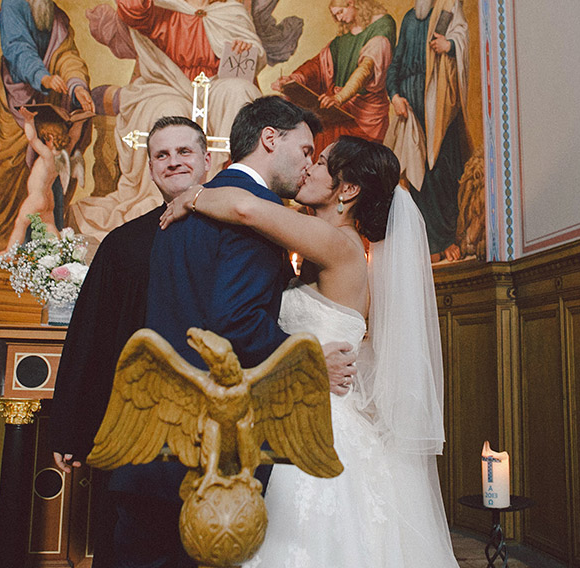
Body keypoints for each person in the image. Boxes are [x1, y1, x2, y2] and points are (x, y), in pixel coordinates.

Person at [160, 134, 456, 567]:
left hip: (321, 421)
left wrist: (194, 195)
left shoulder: (338, 244)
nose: (309, 168)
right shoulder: (337, 246)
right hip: (304, 409)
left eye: (321, 163)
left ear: (348, 190)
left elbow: (246, 209)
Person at [109, 96, 357, 568]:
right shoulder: (254, 214)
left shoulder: (187, 207)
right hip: (203, 461)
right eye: (305, 150)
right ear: (270, 139)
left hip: (156, 446)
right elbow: (235, 323)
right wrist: (304, 361)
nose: (308, 165)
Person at [47, 116, 213, 568]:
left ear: (206, 159)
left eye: (184, 152)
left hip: (213, 426)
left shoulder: (238, 236)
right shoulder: (123, 244)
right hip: (135, 431)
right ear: (151, 167)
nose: (173, 161)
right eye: (162, 155)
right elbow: (91, 336)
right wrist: (72, 426)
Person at [70, 0, 265, 241]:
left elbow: (256, 54)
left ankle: (232, 189)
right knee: (169, 112)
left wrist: (245, 48)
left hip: (214, 85)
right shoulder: (165, 6)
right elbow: (132, 13)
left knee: (240, 91)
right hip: (168, 82)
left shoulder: (232, 11)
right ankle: (161, 198)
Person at [0, 0, 93, 256]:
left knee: (56, 166)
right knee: (6, 163)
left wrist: (77, 86)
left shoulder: (58, 19)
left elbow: (68, 56)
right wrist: (42, 77)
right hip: (17, 96)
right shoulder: (14, 4)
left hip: (48, 106)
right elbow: (17, 47)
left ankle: (38, 245)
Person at [386, 0, 470, 262]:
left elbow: (461, 34)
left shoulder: (446, 4)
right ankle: (428, 244)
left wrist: (449, 45)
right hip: (411, 111)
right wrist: (394, 94)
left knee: (442, 170)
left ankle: (448, 238)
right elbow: (394, 64)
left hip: (440, 105)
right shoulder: (409, 19)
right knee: (416, 176)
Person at [275, 0, 396, 154]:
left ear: (351, 3)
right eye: (335, 15)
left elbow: (365, 70)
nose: (338, 19)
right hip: (336, 112)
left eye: (340, 13)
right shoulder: (344, 36)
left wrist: (339, 98)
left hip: (365, 115)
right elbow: (318, 65)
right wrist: (297, 79)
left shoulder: (382, 27)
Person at [4, 107, 85, 250]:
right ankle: (59, 251)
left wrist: (29, 120)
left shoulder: (47, 155)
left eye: (45, 138)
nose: (43, 141)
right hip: (49, 199)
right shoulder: (62, 155)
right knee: (49, 226)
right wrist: (80, 122)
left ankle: (8, 253)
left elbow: (32, 138)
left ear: (50, 138)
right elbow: (73, 138)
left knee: (20, 224)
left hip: (36, 197)